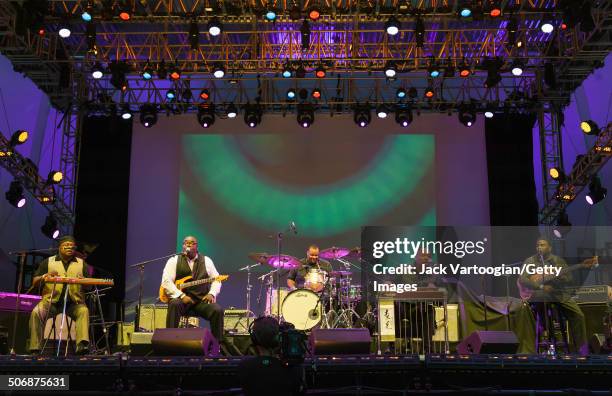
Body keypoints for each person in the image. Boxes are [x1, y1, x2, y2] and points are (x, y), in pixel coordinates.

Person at [519, 237, 588, 355]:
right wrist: (540, 287)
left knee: (578, 315)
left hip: (558, 293)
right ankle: (547, 333)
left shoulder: (558, 261)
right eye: (538, 245)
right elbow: (523, 279)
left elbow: (569, 278)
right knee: (542, 298)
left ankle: (581, 350)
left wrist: (562, 278)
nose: (539, 248)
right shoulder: (530, 261)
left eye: (542, 245)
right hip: (539, 294)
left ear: (549, 247)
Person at [29, 235, 90, 355]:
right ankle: (35, 348)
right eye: (66, 245)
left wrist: (84, 281)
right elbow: (35, 281)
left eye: (72, 246)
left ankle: (82, 347)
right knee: (36, 312)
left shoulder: (82, 264)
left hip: (74, 303)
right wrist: (44, 276)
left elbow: (88, 287)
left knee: (84, 311)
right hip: (51, 302)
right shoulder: (48, 261)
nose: (69, 247)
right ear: (59, 247)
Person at [161, 236, 224, 340]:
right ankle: (170, 342)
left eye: (192, 243)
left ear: (197, 246)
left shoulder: (206, 261)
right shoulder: (174, 260)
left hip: (200, 301)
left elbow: (217, 279)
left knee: (217, 310)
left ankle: (217, 346)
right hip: (182, 301)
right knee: (174, 304)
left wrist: (212, 293)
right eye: (186, 243)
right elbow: (166, 281)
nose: (188, 245)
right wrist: (181, 296)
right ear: (183, 246)